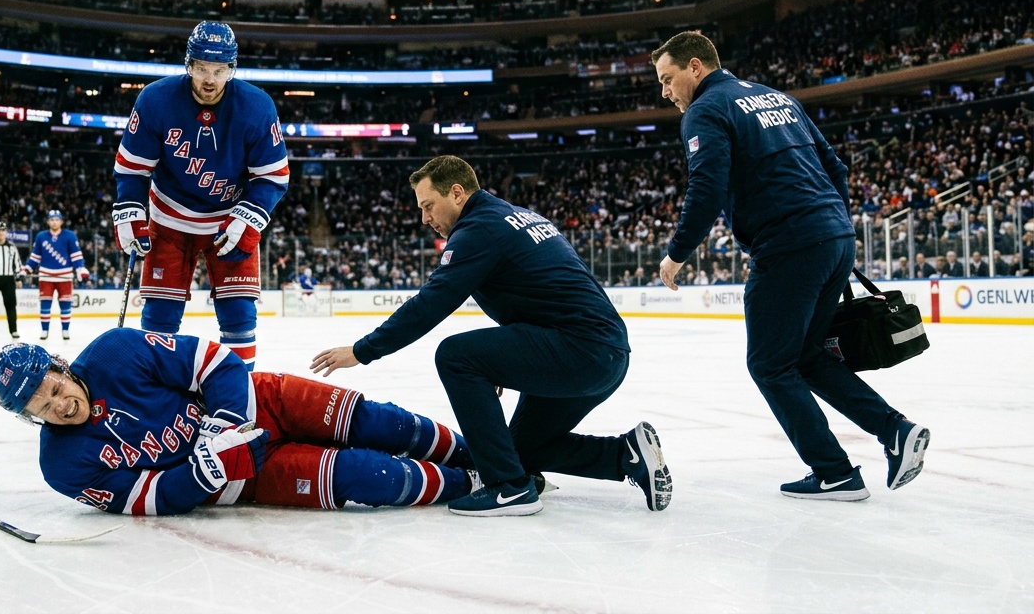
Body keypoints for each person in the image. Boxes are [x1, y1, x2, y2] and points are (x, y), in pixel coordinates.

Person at [651, 30, 929, 502]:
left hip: (788, 246)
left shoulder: (705, 110)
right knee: (806, 357)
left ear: (695, 67)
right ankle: (894, 430)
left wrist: (677, 252)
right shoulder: (774, 97)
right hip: (833, 237)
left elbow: (707, 187)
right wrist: (832, 225)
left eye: (668, 79)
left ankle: (834, 472)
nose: (665, 92)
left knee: (769, 364)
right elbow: (835, 168)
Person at [310, 155, 670, 517]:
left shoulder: (477, 230)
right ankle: (627, 455)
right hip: (604, 352)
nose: (425, 219)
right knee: (520, 451)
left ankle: (508, 488)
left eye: (428, 206)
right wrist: (503, 361)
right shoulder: (514, 216)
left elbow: (431, 303)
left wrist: (362, 350)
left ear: (456, 192)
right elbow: (542, 293)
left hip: (580, 349)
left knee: (455, 355)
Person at [0, 327, 493, 515]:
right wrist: (206, 473)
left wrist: (219, 426)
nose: (58, 405)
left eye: (52, 388)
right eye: (39, 407)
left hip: (264, 400)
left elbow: (217, 363)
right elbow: (146, 499)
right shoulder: (62, 466)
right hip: (240, 478)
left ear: (58, 366)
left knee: (384, 424)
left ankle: (492, 457)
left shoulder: (116, 351)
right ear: (28, 417)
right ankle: (471, 480)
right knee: (367, 477)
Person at [112, 21, 289, 367]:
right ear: (188, 65)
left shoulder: (257, 107)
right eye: (203, 68)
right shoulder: (155, 99)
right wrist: (130, 209)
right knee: (160, 316)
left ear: (232, 69)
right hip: (168, 217)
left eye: (220, 70)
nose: (210, 79)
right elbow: (133, 168)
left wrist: (250, 215)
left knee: (239, 315)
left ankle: (240, 396)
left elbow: (273, 176)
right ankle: (161, 395)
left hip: (229, 220)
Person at [25, 209, 90, 340]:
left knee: (65, 303)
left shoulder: (70, 236)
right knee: (45, 304)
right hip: (45, 275)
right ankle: (44, 330)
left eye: (57, 219)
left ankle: (65, 330)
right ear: (48, 222)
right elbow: (35, 256)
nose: (54, 222)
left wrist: (80, 269)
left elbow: (76, 256)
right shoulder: (41, 236)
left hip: (65, 275)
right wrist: (28, 268)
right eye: (52, 220)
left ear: (61, 221)